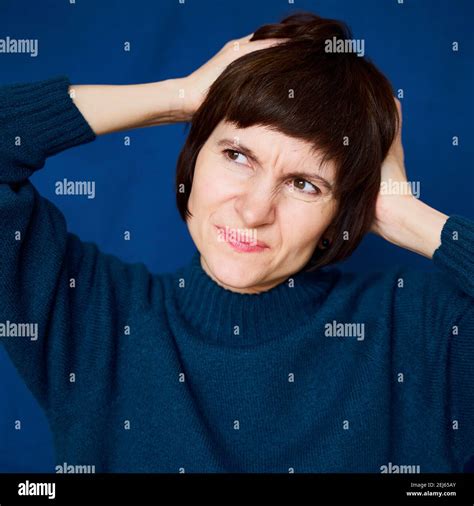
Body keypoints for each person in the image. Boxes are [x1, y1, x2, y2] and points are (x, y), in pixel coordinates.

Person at [0, 12, 472, 473]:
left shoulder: (423, 333)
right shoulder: (92, 318)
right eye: (237, 155)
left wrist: (403, 214)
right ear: (195, 155)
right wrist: (179, 96)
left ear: (340, 215)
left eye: (304, 184)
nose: (253, 210)